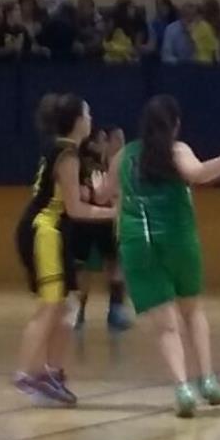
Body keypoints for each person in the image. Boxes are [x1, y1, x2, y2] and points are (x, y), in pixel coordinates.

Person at [114, 96, 220, 417]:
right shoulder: (176, 150)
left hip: (138, 244)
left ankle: (182, 388)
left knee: (166, 325)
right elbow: (199, 174)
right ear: (175, 124)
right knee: (193, 311)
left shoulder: (124, 155)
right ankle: (208, 381)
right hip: (177, 239)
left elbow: (103, 193)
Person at [13, 94, 117, 406]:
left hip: (55, 233)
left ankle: (51, 372)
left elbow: (79, 194)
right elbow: (75, 209)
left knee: (69, 305)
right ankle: (26, 373)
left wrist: (98, 191)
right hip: (45, 231)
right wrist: (116, 214)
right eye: (87, 112)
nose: (91, 117)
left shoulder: (68, 151)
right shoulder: (67, 154)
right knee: (50, 306)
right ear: (76, 120)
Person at [70, 126, 132, 333]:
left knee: (113, 262)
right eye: (104, 139)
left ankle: (115, 309)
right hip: (87, 220)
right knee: (82, 266)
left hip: (105, 222)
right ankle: (78, 311)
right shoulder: (82, 164)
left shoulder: (111, 164)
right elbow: (89, 194)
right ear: (94, 143)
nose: (108, 143)